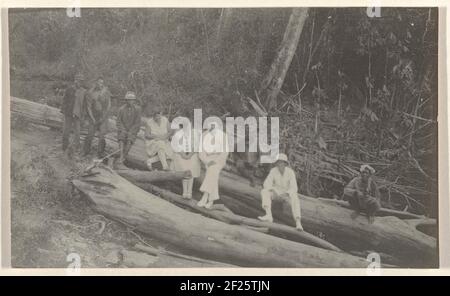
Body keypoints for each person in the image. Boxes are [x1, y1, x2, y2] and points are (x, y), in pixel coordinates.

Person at [258, 153, 304, 231]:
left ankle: (298, 222)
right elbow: (266, 183)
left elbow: (294, 187)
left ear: (285, 163)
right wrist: (272, 190)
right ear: (276, 163)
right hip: (276, 193)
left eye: (282, 162)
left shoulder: (290, 172)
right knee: (264, 191)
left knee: (295, 197)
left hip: (286, 195)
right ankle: (268, 215)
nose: (280, 164)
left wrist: (287, 193)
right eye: (278, 162)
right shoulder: (273, 171)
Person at [197, 124, 229, 209]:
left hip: (219, 160)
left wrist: (215, 161)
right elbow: (201, 152)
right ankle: (211, 200)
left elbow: (225, 153)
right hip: (208, 160)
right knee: (212, 173)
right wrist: (207, 161)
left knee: (212, 169)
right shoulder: (204, 135)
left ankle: (205, 196)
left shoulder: (223, 136)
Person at [83, 77, 111, 158]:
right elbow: (88, 107)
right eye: (99, 83)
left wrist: (104, 117)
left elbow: (109, 105)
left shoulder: (106, 92)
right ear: (96, 83)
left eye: (102, 83)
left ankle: (100, 153)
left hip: (103, 116)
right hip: (94, 116)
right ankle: (86, 151)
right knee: (90, 134)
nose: (100, 84)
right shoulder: (91, 93)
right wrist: (92, 118)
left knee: (102, 135)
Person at [61, 73, 87, 157]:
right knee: (66, 132)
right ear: (75, 81)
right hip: (68, 114)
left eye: (81, 81)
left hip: (77, 114)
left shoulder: (83, 91)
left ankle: (76, 149)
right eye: (79, 81)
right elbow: (64, 100)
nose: (80, 83)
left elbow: (84, 105)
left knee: (78, 133)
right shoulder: (69, 89)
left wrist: (83, 115)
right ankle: (64, 148)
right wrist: (64, 111)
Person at [173, 128, 202, 199]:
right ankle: (185, 191)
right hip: (182, 154)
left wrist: (189, 155)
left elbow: (197, 146)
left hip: (192, 154)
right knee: (184, 168)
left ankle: (189, 192)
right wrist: (183, 154)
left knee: (191, 168)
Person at [116, 91, 142, 168]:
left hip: (132, 130)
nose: (130, 101)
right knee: (121, 139)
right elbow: (118, 122)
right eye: (128, 100)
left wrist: (131, 131)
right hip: (123, 129)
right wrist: (123, 130)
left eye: (132, 100)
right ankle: (120, 155)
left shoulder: (138, 109)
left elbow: (137, 123)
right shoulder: (121, 109)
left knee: (129, 140)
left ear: (134, 101)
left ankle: (123, 157)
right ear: (126, 100)